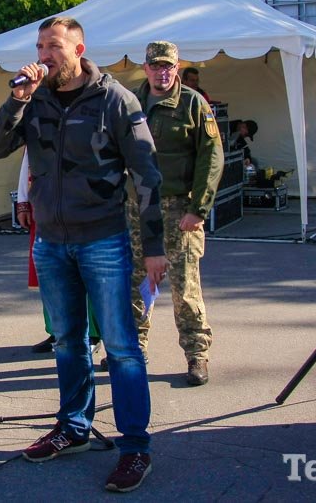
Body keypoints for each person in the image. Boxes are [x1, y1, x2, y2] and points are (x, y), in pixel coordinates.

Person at [0, 16, 166, 493]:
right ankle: (74, 427)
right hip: (51, 242)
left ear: (79, 49)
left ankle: (135, 447)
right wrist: (17, 99)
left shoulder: (115, 100)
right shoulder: (35, 99)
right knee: (67, 341)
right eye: (40, 46)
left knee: (121, 347)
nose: (44, 55)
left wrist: (154, 248)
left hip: (103, 239)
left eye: (54, 46)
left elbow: (147, 175)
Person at [127, 41, 223, 386]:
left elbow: (211, 157)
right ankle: (133, 350)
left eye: (167, 66)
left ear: (177, 66)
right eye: (155, 66)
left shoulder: (193, 104)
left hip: (179, 208)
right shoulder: (131, 103)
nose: (162, 72)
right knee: (135, 284)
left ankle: (197, 355)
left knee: (185, 288)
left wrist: (198, 208)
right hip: (138, 209)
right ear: (146, 67)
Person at [17, 152, 102, 356]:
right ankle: (56, 331)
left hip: (80, 206)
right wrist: (23, 202)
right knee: (48, 273)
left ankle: (92, 334)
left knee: (83, 271)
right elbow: (28, 162)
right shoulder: (36, 131)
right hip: (44, 207)